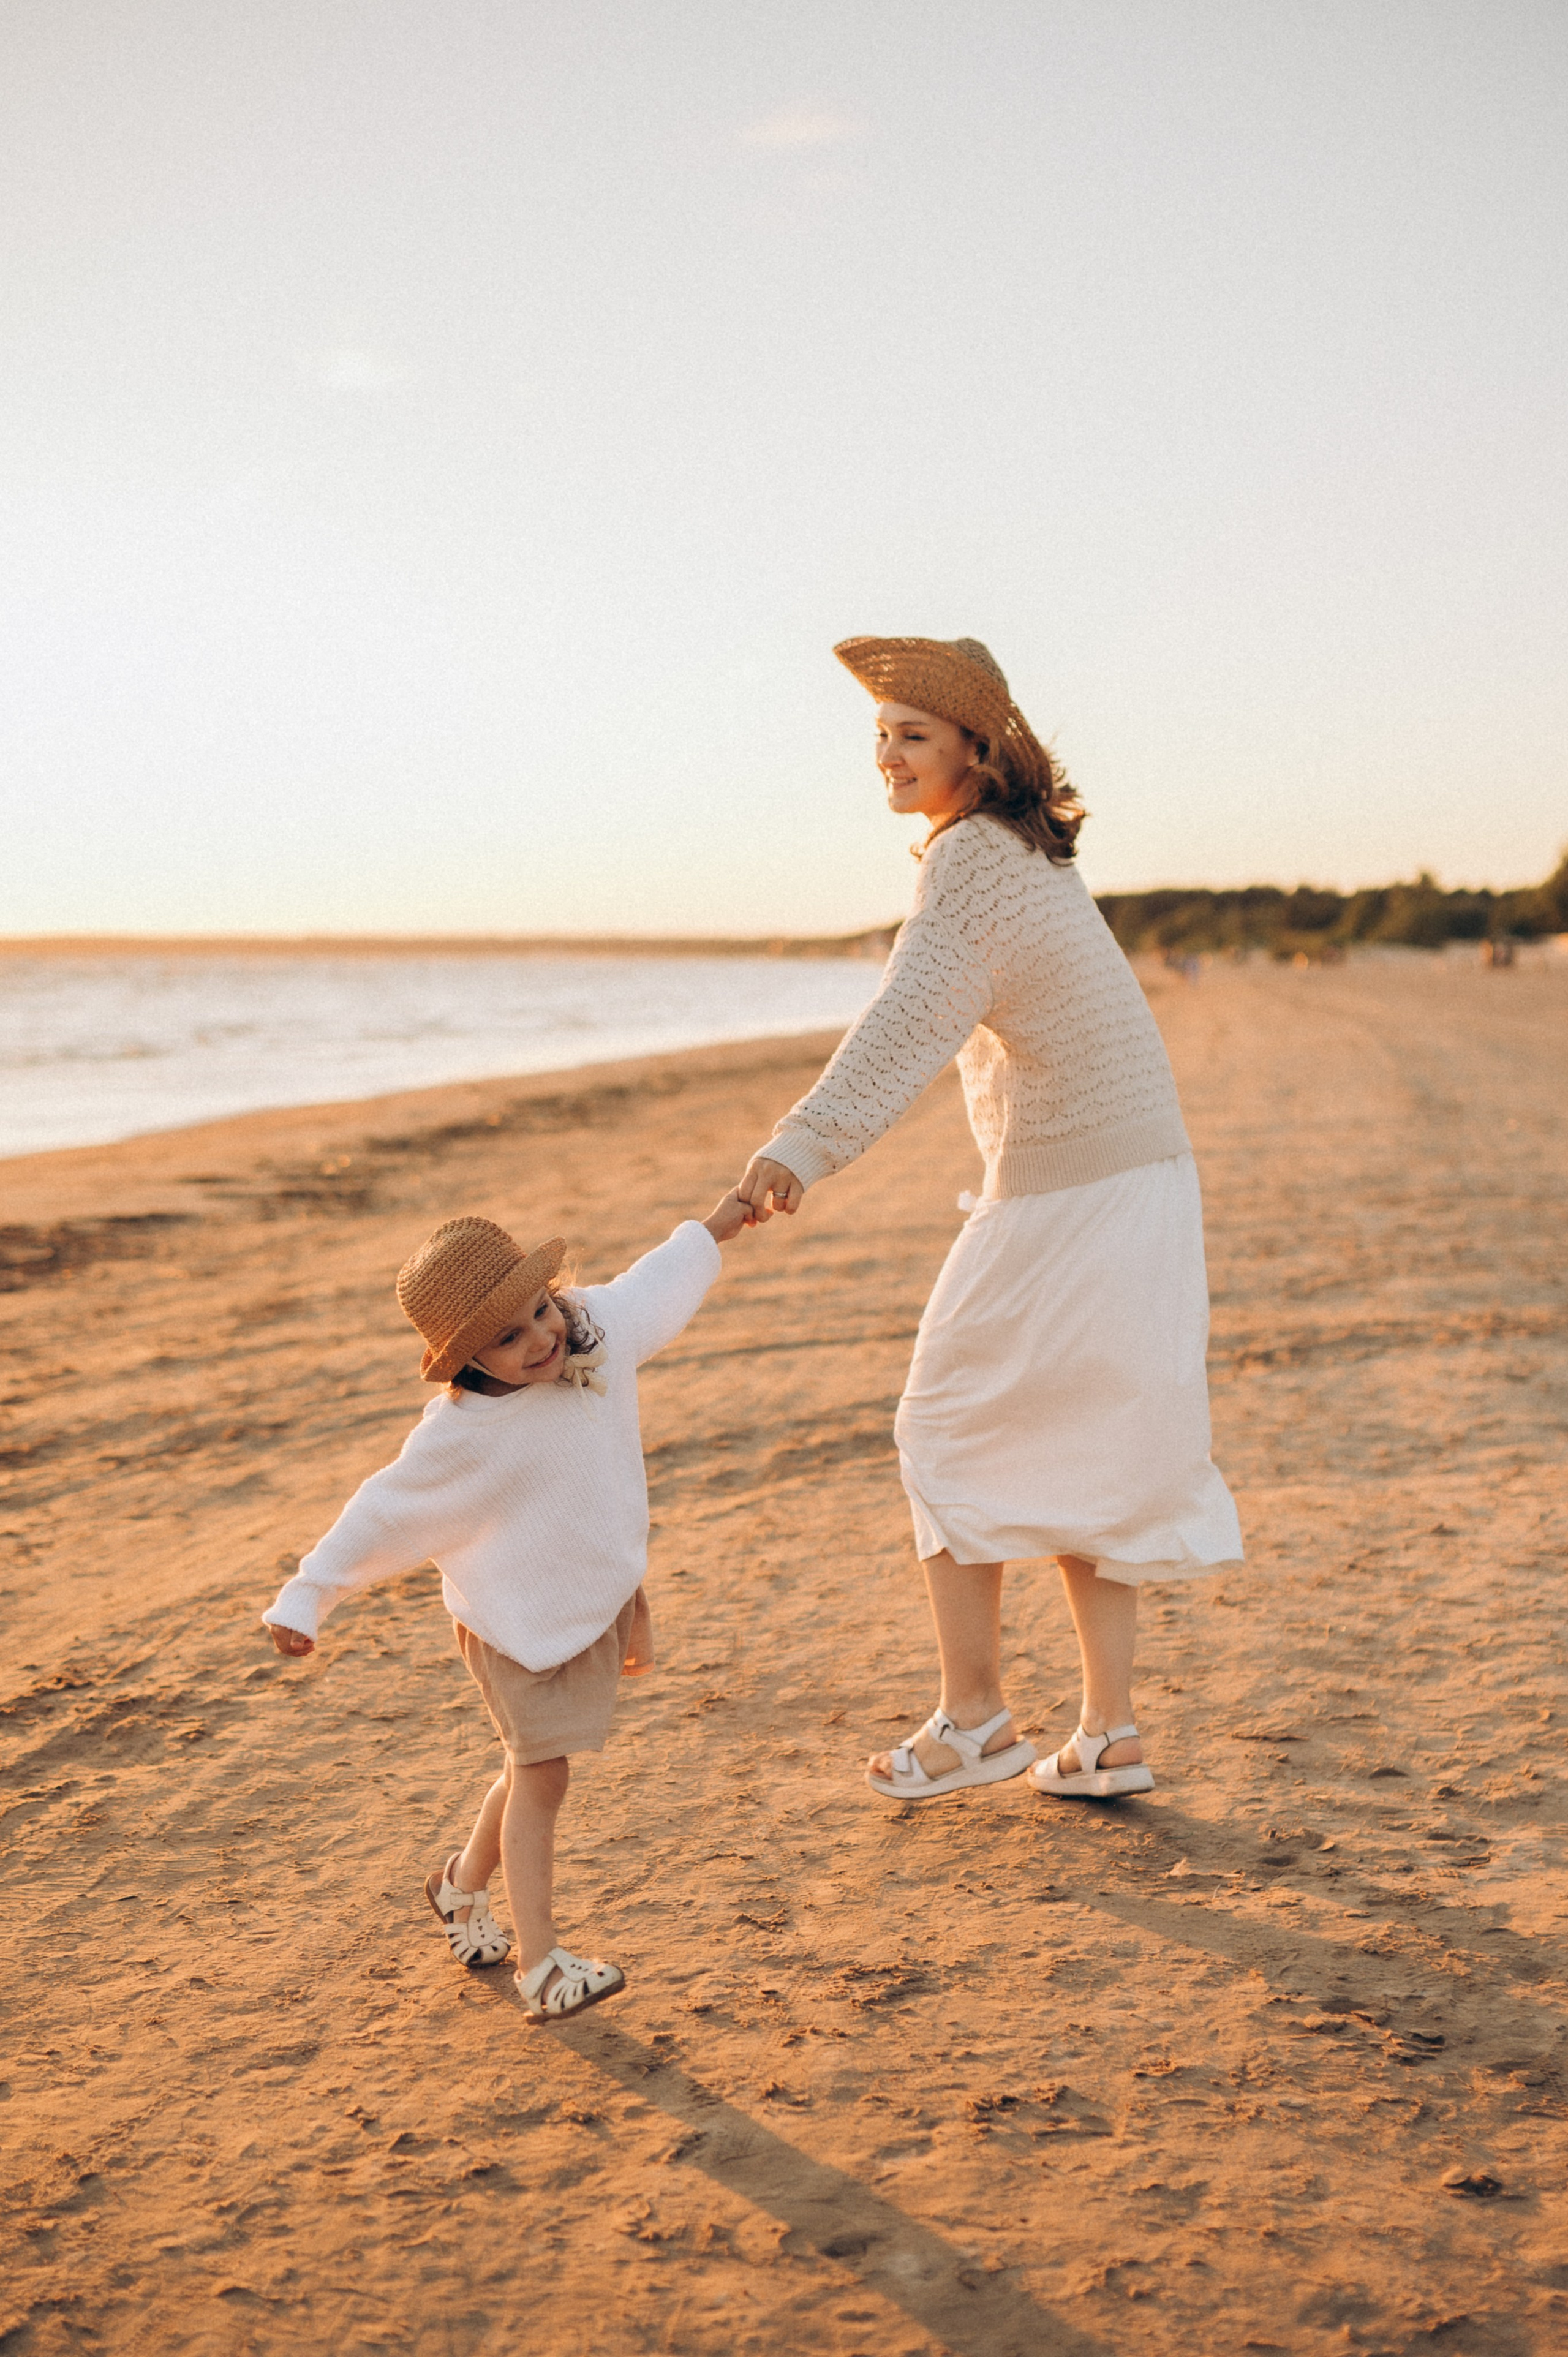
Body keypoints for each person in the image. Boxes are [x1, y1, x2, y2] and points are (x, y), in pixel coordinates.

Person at [738, 635, 1242, 1805]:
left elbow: (904, 1026)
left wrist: (796, 1149)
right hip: (1134, 1180)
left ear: (979, 745)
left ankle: (974, 1720)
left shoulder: (971, 861)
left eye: (911, 734)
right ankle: (1106, 1736)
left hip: (1071, 1194)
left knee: (939, 1425)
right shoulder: (1028, 852)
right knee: (1089, 1446)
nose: (887, 758)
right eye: (879, 735)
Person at [262, 1191, 755, 2017]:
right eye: (508, 1336)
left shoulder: (592, 1328)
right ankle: (542, 1964)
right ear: (464, 1358)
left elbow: (653, 1284)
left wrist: (712, 1230)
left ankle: (459, 1887)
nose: (540, 1339)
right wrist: (306, 1598)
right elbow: (380, 1511)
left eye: (538, 1309)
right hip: (513, 1622)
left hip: (586, 1595)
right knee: (543, 1773)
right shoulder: (457, 1437)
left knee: (530, 1766)